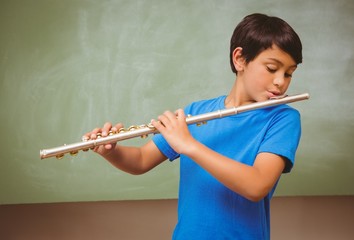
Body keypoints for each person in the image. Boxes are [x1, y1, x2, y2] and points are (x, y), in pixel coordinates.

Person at [83, 13, 303, 240]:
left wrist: (189, 145)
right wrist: (111, 150)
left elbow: (257, 185)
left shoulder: (283, 119)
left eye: (288, 73)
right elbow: (140, 160)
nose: (281, 81)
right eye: (271, 68)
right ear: (240, 59)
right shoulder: (197, 113)